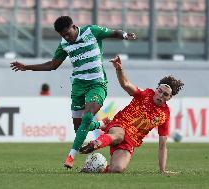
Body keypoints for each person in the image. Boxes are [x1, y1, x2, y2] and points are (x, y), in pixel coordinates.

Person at [10, 16, 136, 169]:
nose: (66, 37)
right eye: (63, 35)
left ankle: (71, 156)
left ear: (74, 26)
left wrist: (124, 35)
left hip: (97, 84)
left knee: (87, 115)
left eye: (67, 33)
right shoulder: (64, 44)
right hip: (78, 87)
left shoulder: (91, 31)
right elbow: (52, 65)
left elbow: (112, 33)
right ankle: (100, 124)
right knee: (79, 128)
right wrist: (27, 67)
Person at [79, 55, 184, 175]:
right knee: (119, 135)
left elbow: (162, 145)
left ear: (169, 98)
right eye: (160, 91)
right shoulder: (145, 94)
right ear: (156, 89)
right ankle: (95, 144)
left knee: (117, 169)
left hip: (130, 141)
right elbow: (125, 84)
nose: (161, 95)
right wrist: (119, 69)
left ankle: (92, 168)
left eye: (165, 94)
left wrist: (163, 170)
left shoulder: (165, 115)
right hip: (120, 125)